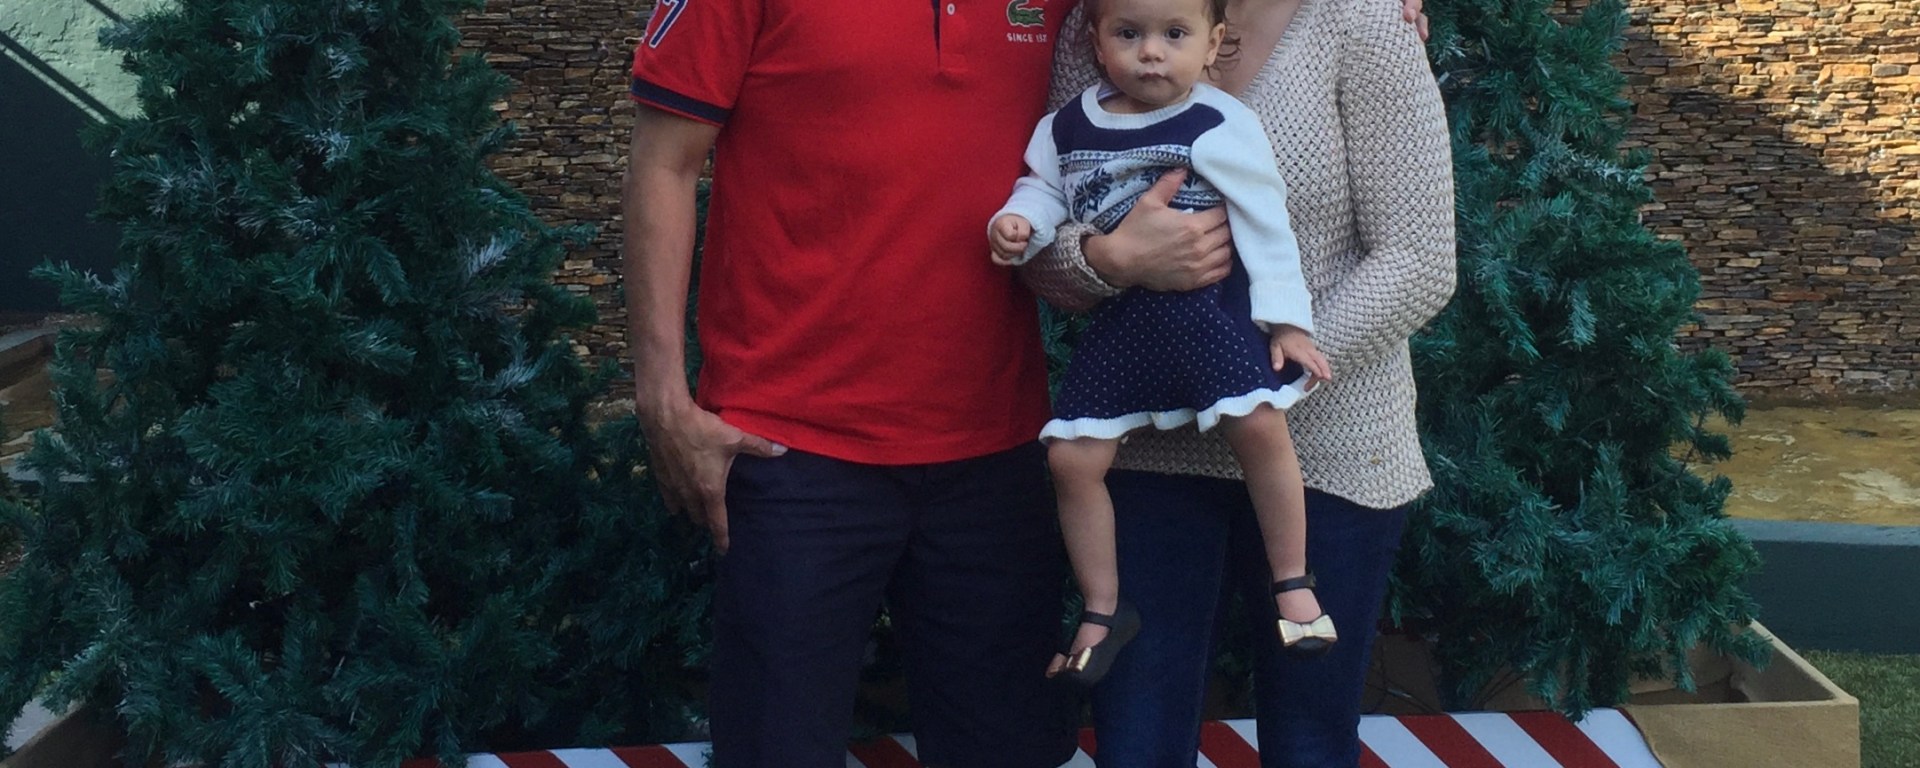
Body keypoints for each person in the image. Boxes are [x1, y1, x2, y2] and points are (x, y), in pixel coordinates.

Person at [618, 4, 1078, 768]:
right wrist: (663, 397)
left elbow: (1150, 85)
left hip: (995, 449)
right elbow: (663, 164)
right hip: (789, 448)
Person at [1019, 0, 1457, 763]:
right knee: (1138, 740)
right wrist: (1106, 260)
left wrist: (1250, 377)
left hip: (1332, 449)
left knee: (1310, 740)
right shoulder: (1112, 18)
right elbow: (1049, 231)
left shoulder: (1362, 21)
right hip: (1149, 447)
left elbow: (1417, 260)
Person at [986, 0, 1336, 687]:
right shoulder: (1067, 125)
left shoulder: (1217, 121)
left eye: (1174, 34)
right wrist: (1019, 221)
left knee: (1259, 425)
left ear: (1212, 43)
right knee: (1070, 459)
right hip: (1126, 319)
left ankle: (1292, 579)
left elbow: (1265, 221)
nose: (1151, 52)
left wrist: (1288, 322)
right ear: (1097, 43)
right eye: (1129, 34)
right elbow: (1044, 188)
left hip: (1209, 313)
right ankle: (1102, 607)